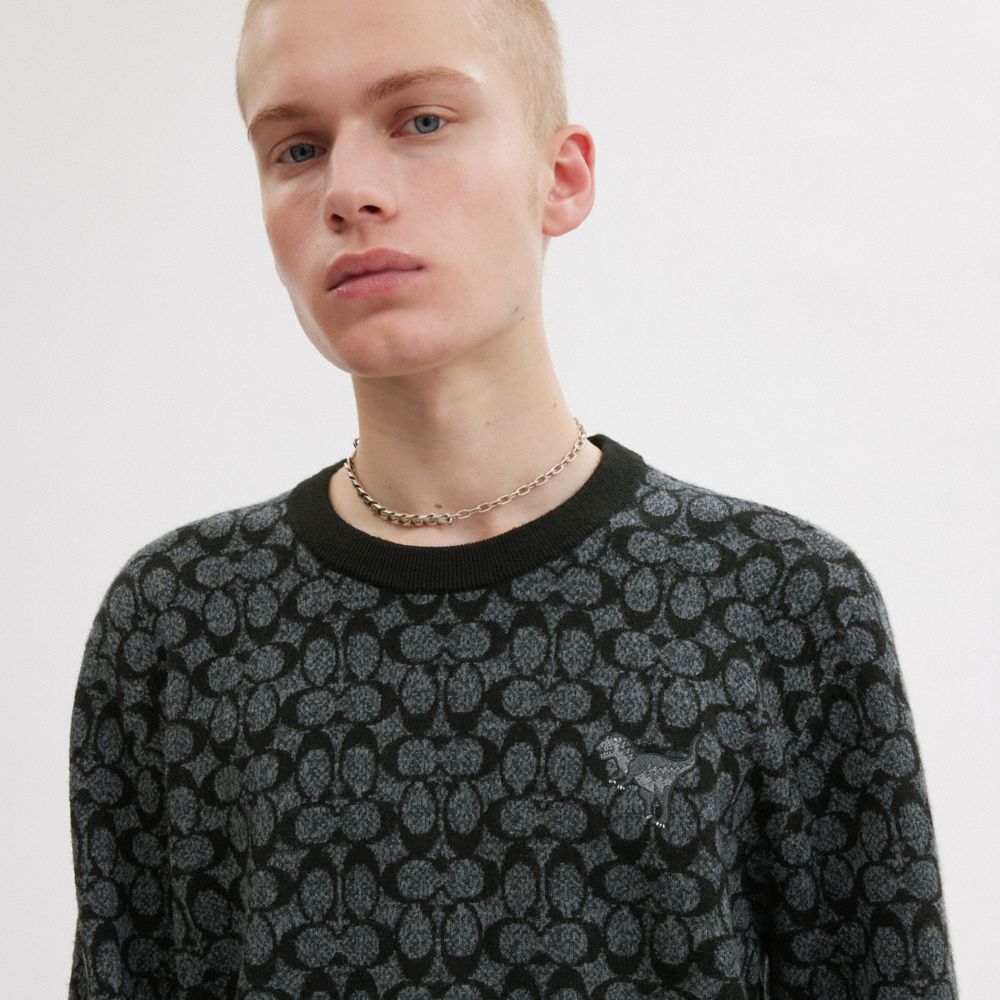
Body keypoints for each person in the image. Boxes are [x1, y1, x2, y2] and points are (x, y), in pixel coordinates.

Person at [66, 1, 959, 997]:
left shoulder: (779, 600)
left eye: (421, 121)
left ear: (560, 176)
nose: (349, 191)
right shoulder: (181, 622)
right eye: (298, 148)